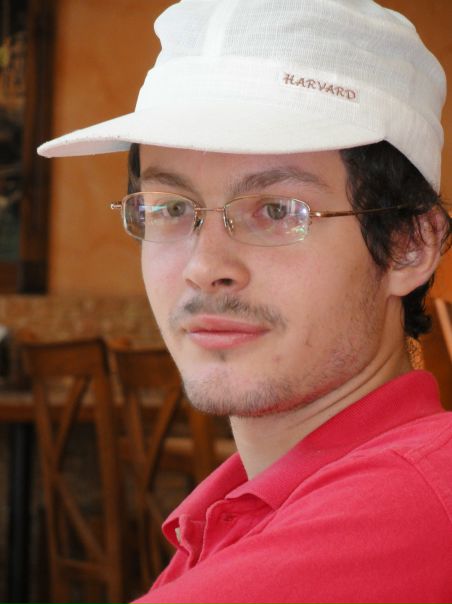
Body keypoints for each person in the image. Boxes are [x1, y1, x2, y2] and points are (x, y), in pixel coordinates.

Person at [38, 0, 452, 601]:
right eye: (171, 208)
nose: (205, 268)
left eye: (278, 211)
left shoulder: (408, 514)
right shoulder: (249, 506)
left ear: (409, 245)